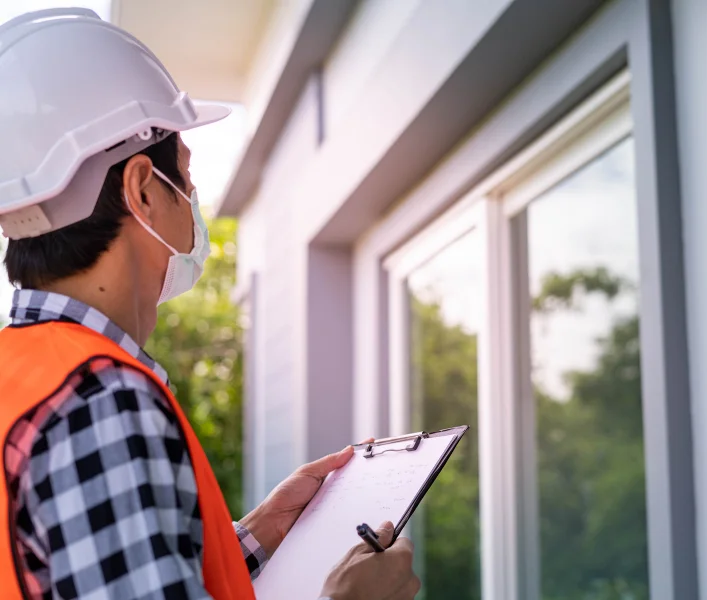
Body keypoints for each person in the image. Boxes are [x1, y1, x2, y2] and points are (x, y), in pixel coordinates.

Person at [0, 8, 420, 600]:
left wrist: (255, 535)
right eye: (187, 179)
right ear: (144, 189)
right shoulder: (100, 401)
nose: (193, 200)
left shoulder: (23, 377)